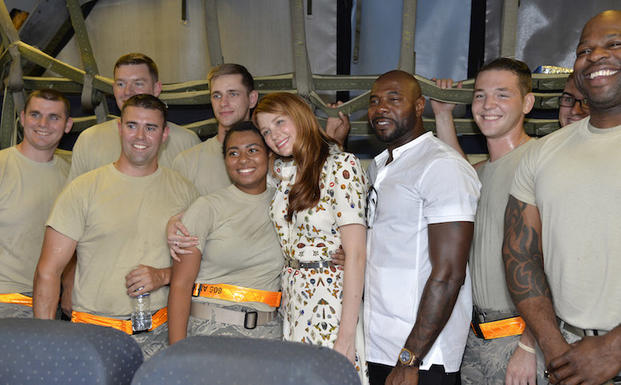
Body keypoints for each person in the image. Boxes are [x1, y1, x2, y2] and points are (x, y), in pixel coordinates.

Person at [503, 10, 621, 385]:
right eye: (584, 50)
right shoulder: (542, 154)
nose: (596, 56)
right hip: (569, 357)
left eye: (614, 44)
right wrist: (555, 349)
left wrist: (614, 348)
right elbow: (520, 256)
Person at [33, 94, 198, 359]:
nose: (140, 136)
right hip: (92, 335)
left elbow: (200, 266)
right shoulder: (83, 190)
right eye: (132, 125)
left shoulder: (185, 192)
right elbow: (48, 272)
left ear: (165, 134)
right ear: (120, 129)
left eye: (151, 128)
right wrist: (45, 345)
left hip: (158, 337)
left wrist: (164, 275)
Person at [431, 58, 548, 385]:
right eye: (480, 95)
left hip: (520, 340)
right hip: (475, 340)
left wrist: (529, 345)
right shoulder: (482, 172)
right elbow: (462, 174)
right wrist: (443, 115)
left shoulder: (541, 161)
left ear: (527, 103)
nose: (488, 105)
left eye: (502, 95)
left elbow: (557, 260)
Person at [364, 70, 480, 385]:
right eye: (374, 101)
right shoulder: (379, 167)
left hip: (424, 358)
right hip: (377, 345)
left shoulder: (441, 166)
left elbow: (449, 273)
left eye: (393, 99)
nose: (380, 108)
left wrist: (410, 357)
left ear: (419, 106)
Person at [253, 92, 368, 384]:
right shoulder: (281, 172)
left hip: (331, 300)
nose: (273, 135)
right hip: (292, 301)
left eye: (280, 122)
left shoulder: (341, 167)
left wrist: (346, 337)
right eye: (266, 131)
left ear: (300, 116)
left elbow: (355, 254)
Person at [168, 121, 283, 344]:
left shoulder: (284, 204)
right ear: (225, 161)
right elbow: (180, 285)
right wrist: (176, 353)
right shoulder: (206, 208)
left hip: (268, 336)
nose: (243, 160)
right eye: (233, 153)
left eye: (252, 150)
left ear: (269, 155)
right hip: (210, 332)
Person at [172, 63, 351, 196]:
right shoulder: (187, 162)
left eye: (232, 94)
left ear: (252, 98)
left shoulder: (278, 152)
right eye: (216, 95)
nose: (223, 103)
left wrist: (335, 142)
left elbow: (321, 189)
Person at [68, 52, 200, 181]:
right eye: (121, 84)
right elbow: (75, 199)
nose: (127, 92)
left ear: (156, 88)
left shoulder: (186, 142)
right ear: (114, 89)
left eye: (138, 83)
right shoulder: (89, 140)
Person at [0, 89, 72, 318]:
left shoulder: (72, 178)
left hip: (49, 304)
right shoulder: (3, 166)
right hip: (5, 300)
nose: (43, 123)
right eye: (35, 114)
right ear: (22, 118)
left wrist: (69, 288)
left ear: (68, 125)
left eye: (54, 117)